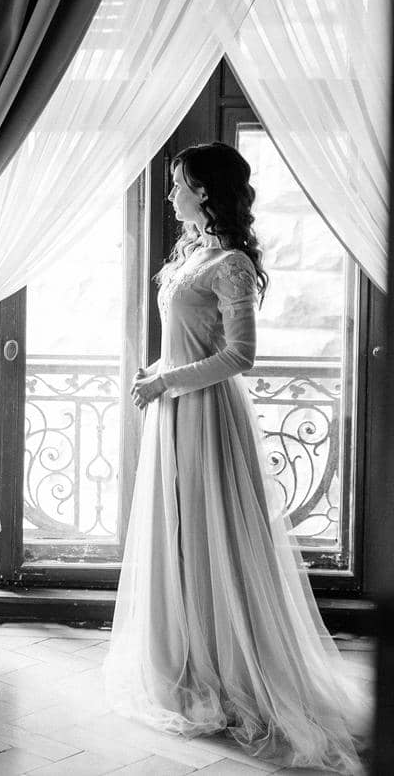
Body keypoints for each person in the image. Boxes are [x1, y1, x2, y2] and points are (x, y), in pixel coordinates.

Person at [102, 141, 364, 773]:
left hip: (207, 418)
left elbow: (241, 357)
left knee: (213, 533)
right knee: (181, 535)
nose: (171, 195)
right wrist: (159, 373)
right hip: (175, 411)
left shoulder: (232, 263)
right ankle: (185, 657)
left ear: (208, 191)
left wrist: (166, 380)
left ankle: (230, 667)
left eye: (180, 184)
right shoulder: (190, 253)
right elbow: (189, 340)